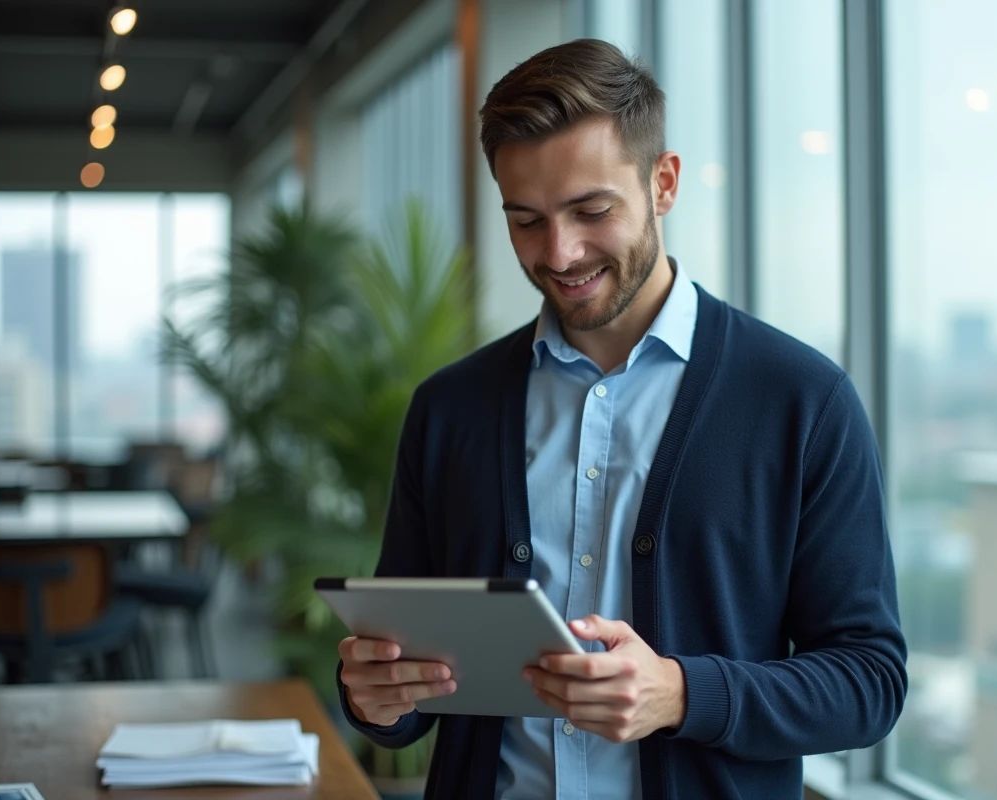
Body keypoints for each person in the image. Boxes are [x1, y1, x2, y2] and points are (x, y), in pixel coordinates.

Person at [337, 38, 907, 799]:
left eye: (591, 210)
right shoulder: (451, 409)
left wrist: (679, 692)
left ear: (663, 183)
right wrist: (377, 699)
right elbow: (407, 667)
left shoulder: (802, 400)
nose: (561, 252)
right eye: (526, 221)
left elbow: (869, 682)